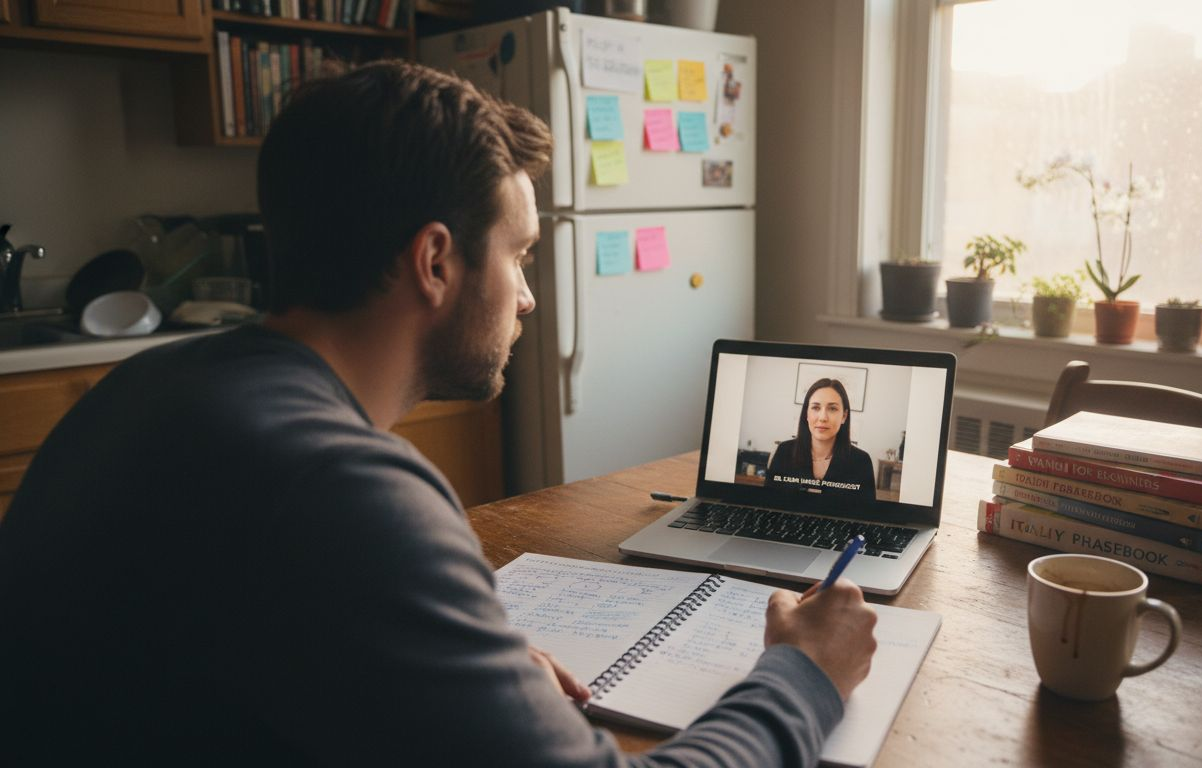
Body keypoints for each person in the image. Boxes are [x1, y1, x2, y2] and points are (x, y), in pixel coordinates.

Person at [0, 62, 878, 766]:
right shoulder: (344, 489)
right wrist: (804, 673)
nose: (527, 298)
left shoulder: (146, 388)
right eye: (519, 255)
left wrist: (448, 673)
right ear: (434, 262)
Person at [765, 378, 877, 502]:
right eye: (815, 407)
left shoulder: (861, 462)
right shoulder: (784, 451)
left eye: (832, 408)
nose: (823, 417)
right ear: (806, 414)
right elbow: (768, 502)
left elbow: (866, 510)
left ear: (844, 416)